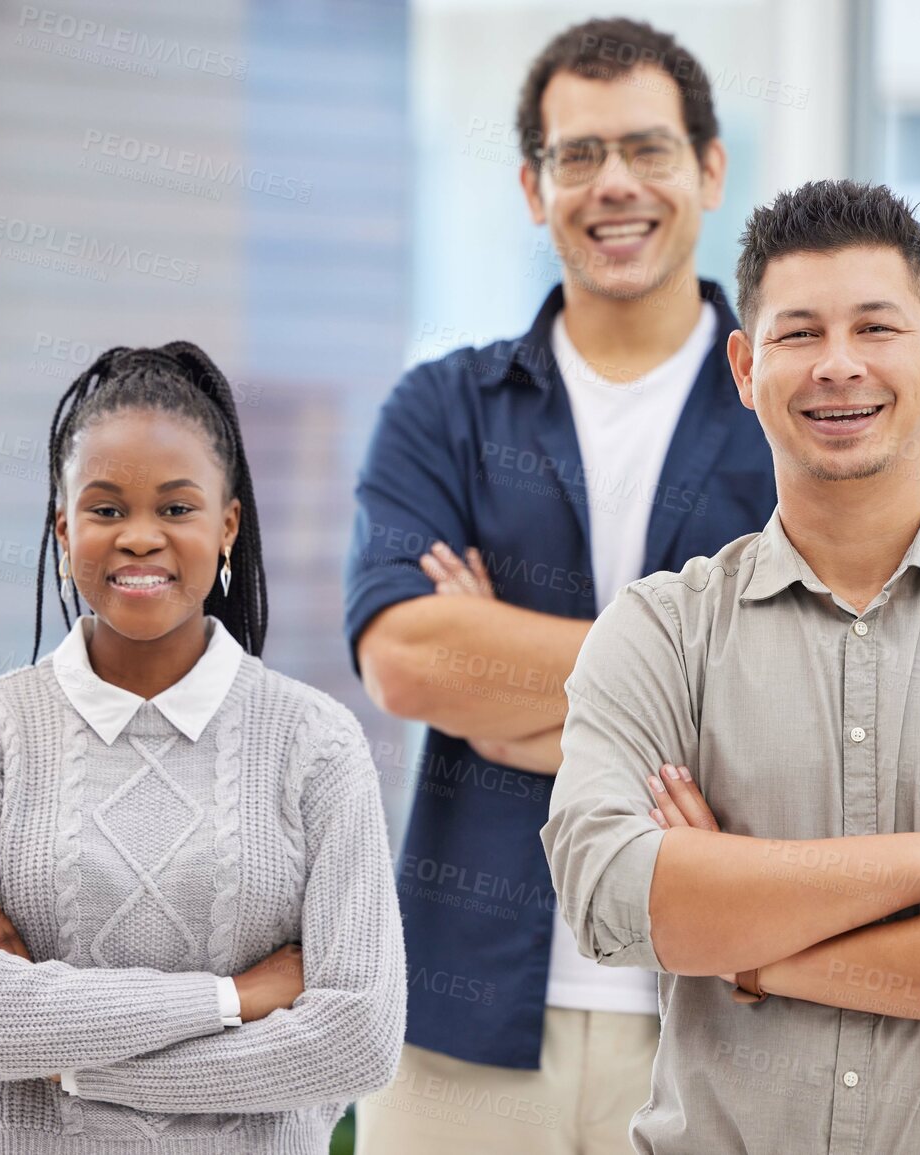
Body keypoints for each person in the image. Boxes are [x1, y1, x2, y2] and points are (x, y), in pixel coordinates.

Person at [542, 179, 920, 1154]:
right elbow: (610, 903)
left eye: (876, 328)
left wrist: (754, 954)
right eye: (798, 335)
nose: (838, 366)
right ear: (746, 366)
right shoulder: (658, 634)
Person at [344, 18, 778, 1153]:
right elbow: (406, 659)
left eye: (647, 149)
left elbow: (812, 696)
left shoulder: (789, 420)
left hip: (721, 1012)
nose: (614, 185)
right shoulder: (446, 410)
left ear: (709, 169)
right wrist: (682, 691)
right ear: (534, 188)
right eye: (577, 156)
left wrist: (509, 672)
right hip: (462, 1023)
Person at [0, 342, 406, 1153]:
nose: (139, 536)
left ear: (227, 525)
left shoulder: (315, 743)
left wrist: (66, 1056)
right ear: (64, 529)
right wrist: (237, 997)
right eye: (105, 510)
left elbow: (358, 1035)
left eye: (175, 508)